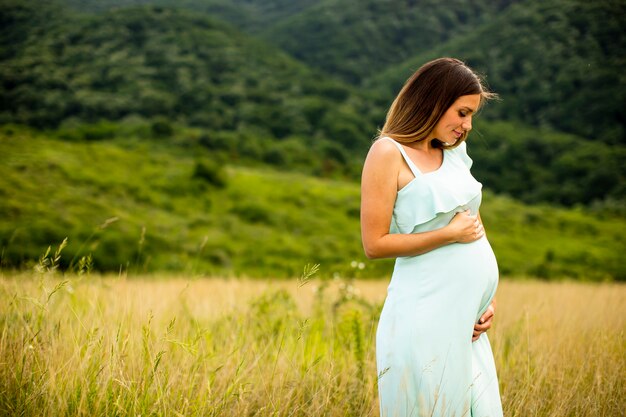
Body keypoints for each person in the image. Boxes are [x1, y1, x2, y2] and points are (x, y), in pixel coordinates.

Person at [360, 57, 502, 417]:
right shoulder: (387, 152)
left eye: (471, 116)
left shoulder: (454, 155)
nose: (467, 125)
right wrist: (446, 234)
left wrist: (488, 300)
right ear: (434, 102)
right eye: (462, 113)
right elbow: (374, 244)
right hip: (423, 316)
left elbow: (475, 230)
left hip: (466, 322)